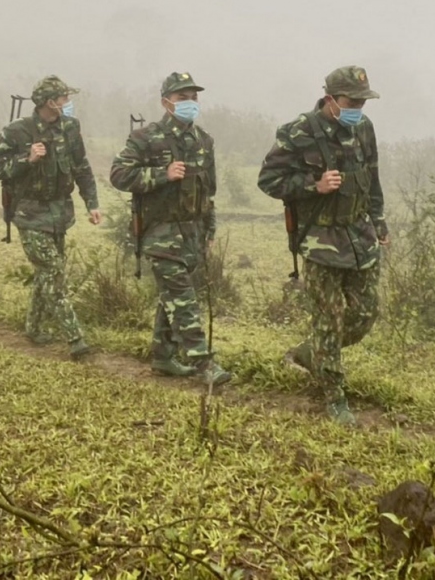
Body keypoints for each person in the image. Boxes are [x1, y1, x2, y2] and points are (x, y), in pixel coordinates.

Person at [257, 66, 388, 426]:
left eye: (362, 101)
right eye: (351, 101)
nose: (358, 108)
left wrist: (379, 223)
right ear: (330, 100)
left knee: (364, 315)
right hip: (320, 240)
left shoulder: (364, 128)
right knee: (328, 320)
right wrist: (314, 184)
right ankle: (335, 397)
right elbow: (268, 180)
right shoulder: (299, 132)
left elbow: (372, 179)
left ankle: (308, 353)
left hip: (360, 236)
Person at [109, 72, 232, 386]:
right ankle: (203, 362)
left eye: (193, 97)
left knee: (171, 298)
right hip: (159, 232)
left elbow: (210, 192)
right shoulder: (146, 138)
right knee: (183, 299)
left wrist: (210, 232)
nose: (190, 103)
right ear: (166, 103)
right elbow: (119, 175)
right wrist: (161, 174)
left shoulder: (204, 140)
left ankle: (164, 357)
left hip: (192, 232)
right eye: (182, 98)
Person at [0, 75, 101, 360]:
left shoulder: (70, 127)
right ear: (50, 103)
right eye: (64, 99)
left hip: (60, 212)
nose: (68, 103)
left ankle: (33, 327)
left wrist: (92, 203)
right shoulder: (17, 131)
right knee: (53, 270)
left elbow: (82, 167)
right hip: (29, 213)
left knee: (45, 273)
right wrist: (27, 159)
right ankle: (75, 339)